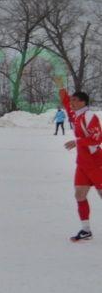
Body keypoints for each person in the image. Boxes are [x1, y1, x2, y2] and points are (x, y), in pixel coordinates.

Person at [56, 78, 102, 242]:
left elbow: (97, 139)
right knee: (79, 195)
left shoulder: (90, 116)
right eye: (72, 100)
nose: (72, 103)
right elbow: (65, 101)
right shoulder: (76, 114)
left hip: (96, 163)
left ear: (83, 102)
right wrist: (61, 87)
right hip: (82, 164)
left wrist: (77, 142)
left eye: (75, 100)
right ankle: (86, 230)